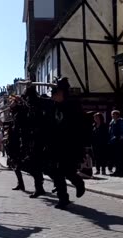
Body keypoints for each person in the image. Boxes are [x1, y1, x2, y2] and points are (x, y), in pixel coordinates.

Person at [46, 77, 86, 209]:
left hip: (69, 145)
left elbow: (80, 127)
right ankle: (63, 199)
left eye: (56, 94)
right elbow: (39, 102)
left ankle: (78, 182)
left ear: (62, 93)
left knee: (67, 171)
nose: (53, 97)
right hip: (55, 145)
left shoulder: (73, 106)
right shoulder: (53, 107)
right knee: (55, 172)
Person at [108, 110, 123, 177]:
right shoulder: (112, 122)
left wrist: (119, 138)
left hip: (119, 143)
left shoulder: (120, 122)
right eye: (112, 114)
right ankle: (117, 171)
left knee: (119, 158)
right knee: (115, 158)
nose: (113, 116)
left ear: (117, 115)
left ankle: (120, 171)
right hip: (113, 142)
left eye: (114, 114)